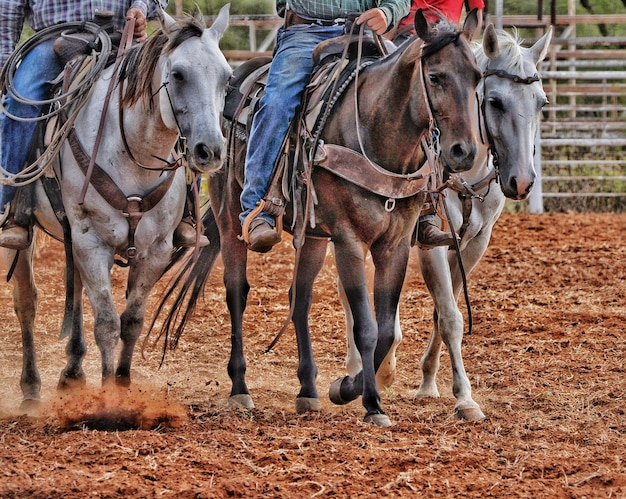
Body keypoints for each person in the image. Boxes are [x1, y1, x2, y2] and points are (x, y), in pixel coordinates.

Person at [0, 0, 206, 250]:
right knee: (20, 104)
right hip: (55, 40)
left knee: (178, 91)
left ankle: (186, 211)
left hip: (122, 37)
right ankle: (9, 207)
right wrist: (4, 63)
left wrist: (140, 8)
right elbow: (9, 7)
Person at [240, 0, 411, 253]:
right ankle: (257, 210)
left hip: (364, 33)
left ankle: (427, 202)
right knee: (277, 104)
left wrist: (388, 12)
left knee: (411, 86)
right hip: (306, 34)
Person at [385, 0, 484, 248]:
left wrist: (463, 43)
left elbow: (476, 14)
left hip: (448, 39)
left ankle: (428, 211)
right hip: (406, 37)